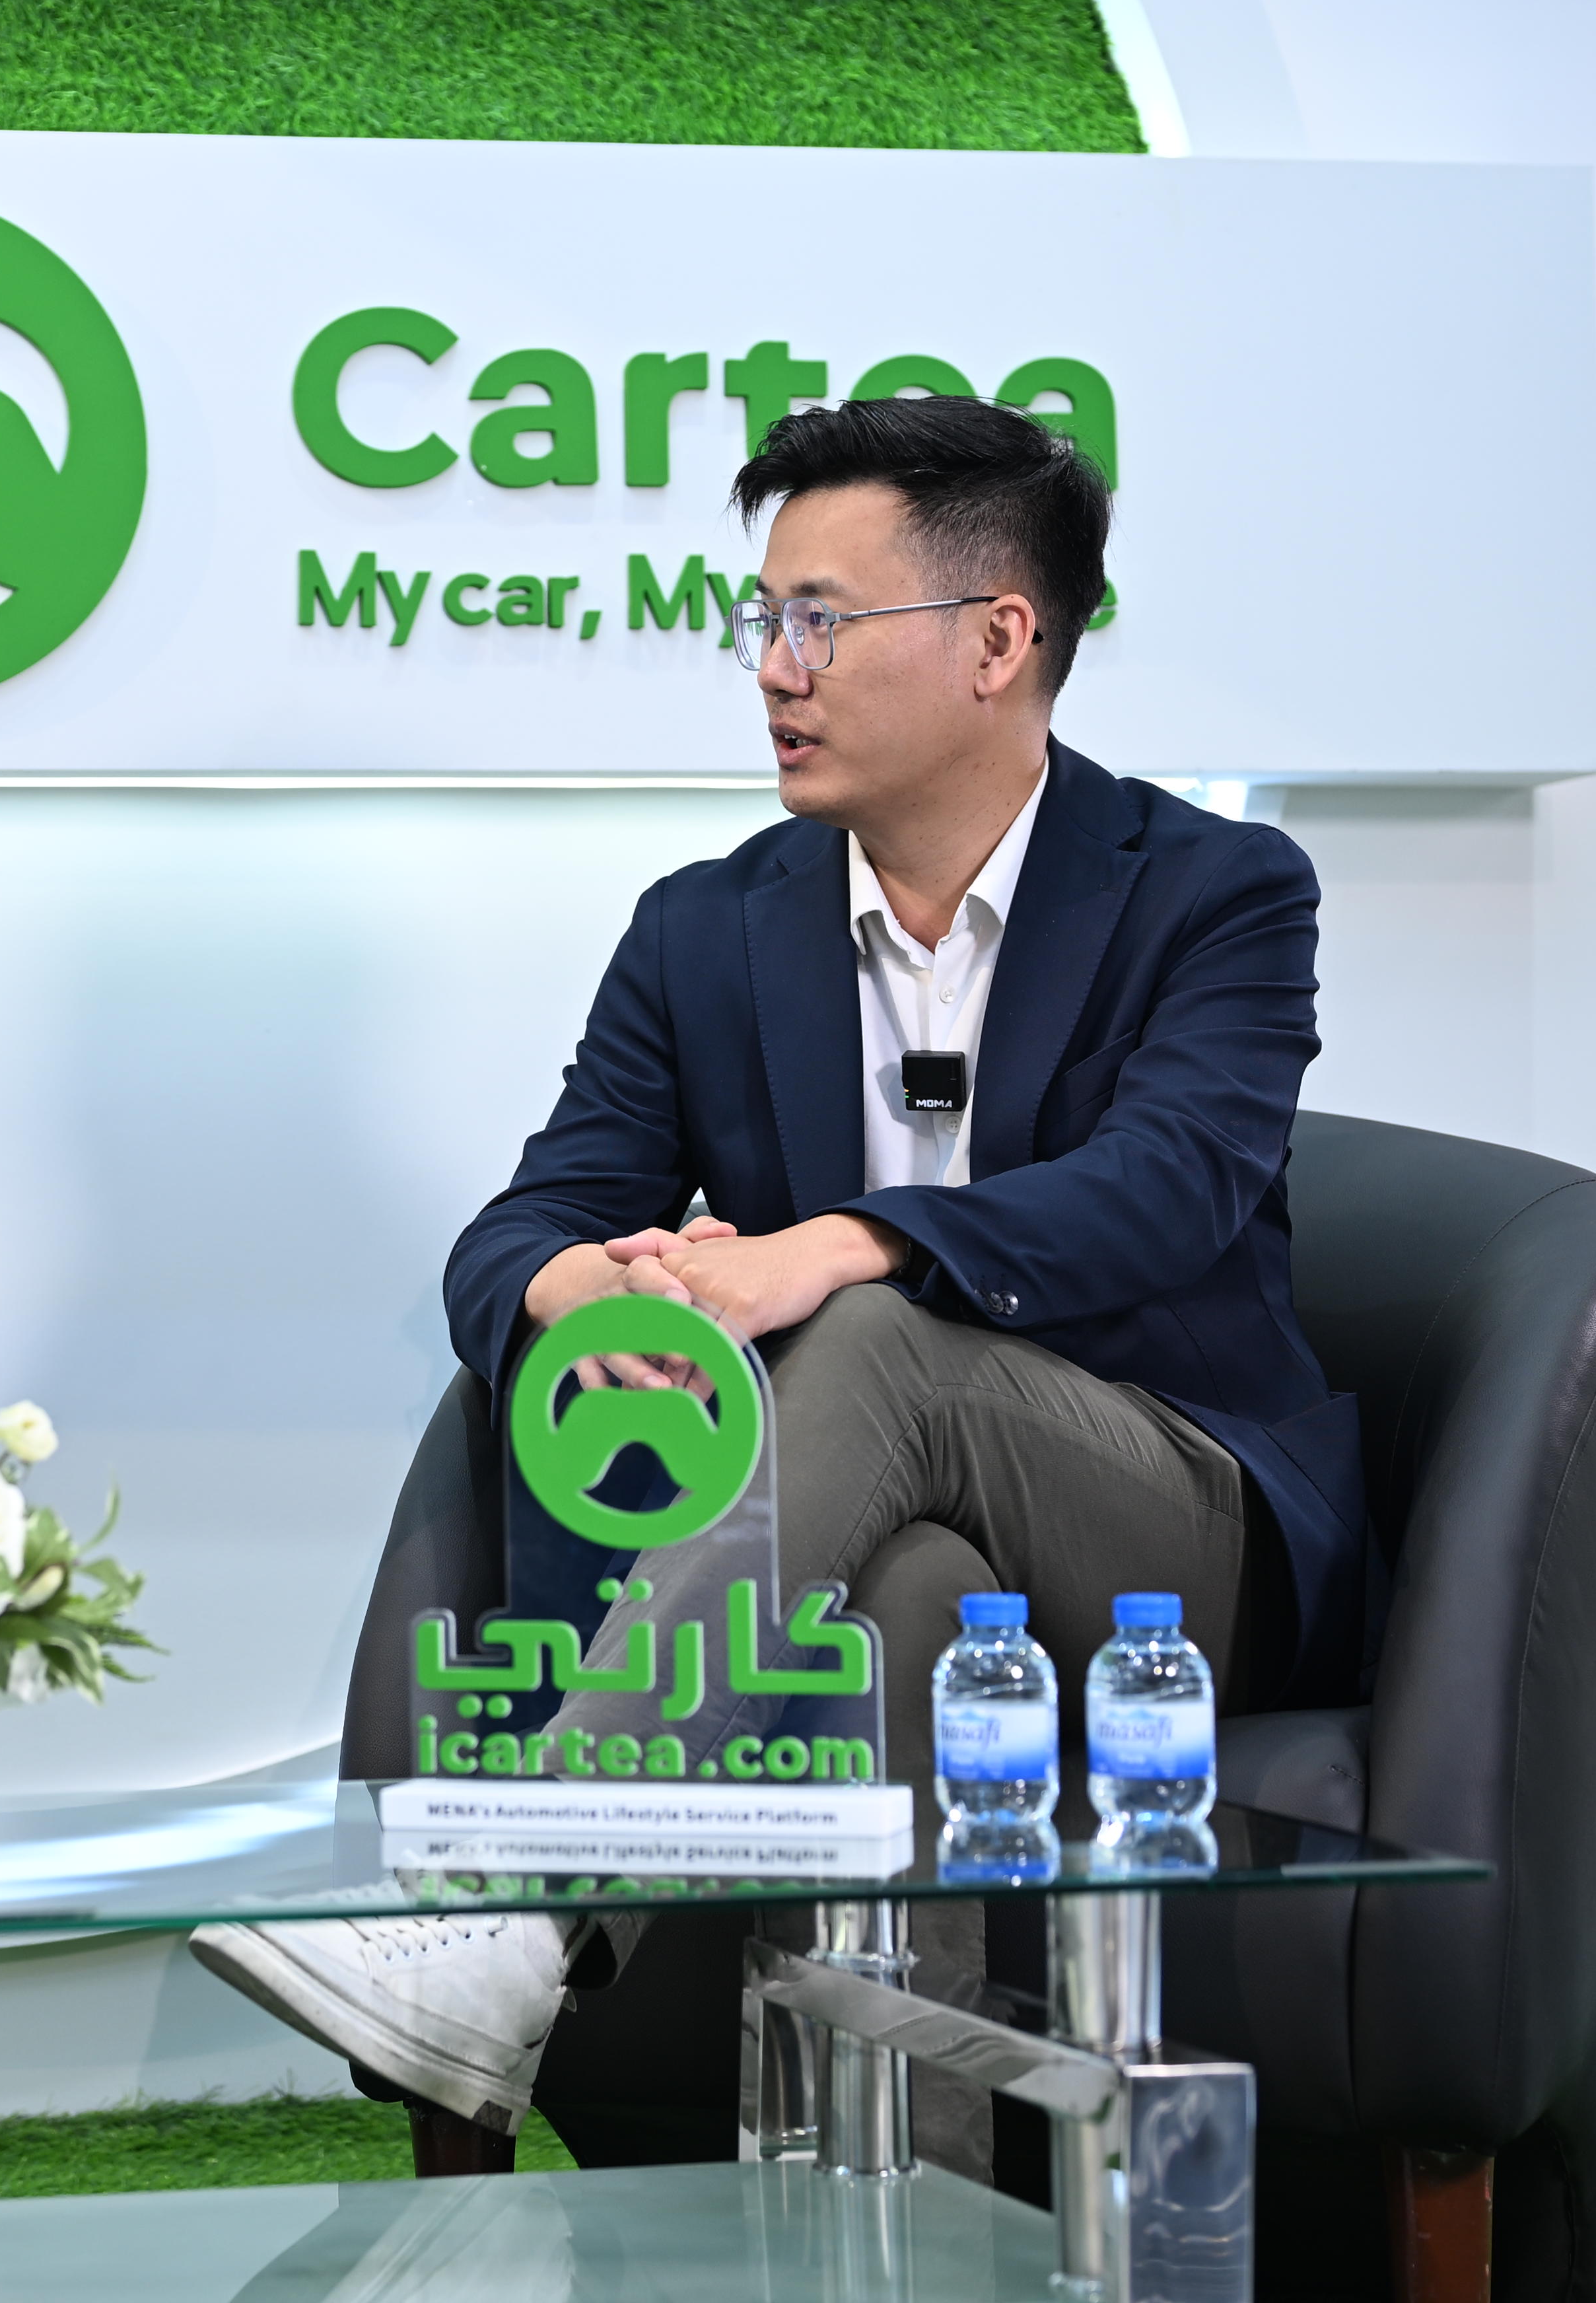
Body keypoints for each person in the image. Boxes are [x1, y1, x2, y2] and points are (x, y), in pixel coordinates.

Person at [190, 393, 1360, 2170]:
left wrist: (828, 1251)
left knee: (875, 1331)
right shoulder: (708, 927)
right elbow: (521, 1227)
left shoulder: (1217, 891)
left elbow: (1170, 1187)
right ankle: (902, 2224)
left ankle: (518, 1913)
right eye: (763, 620)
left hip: (1164, 1532)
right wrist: (593, 1293)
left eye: (822, 621)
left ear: (997, 641)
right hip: (876, 1543)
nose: (772, 671)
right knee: (902, 1600)